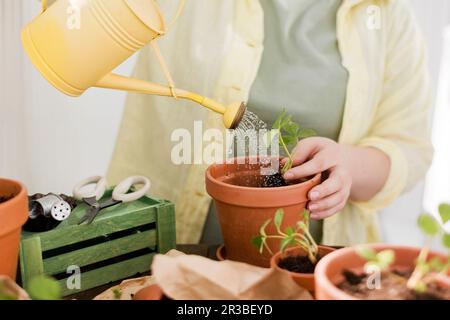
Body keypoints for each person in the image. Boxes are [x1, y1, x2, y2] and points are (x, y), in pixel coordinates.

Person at [108, 0, 433, 246]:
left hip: (312, 262)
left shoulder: (386, 15)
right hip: (166, 250)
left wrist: (348, 163)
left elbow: (409, 149)